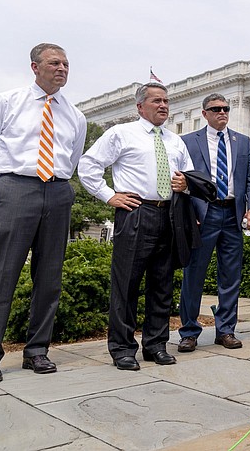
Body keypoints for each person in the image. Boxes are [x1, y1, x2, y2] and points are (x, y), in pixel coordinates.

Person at [0, 43, 87, 383]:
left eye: (66, 63)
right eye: (54, 62)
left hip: (58, 191)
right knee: (2, 274)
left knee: (49, 276)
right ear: (35, 67)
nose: (62, 68)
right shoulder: (5, 103)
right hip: (16, 187)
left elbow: (71, 160)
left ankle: (37, 351)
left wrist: (58, 186)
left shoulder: (76, 116)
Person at [79, 81, 192, 370]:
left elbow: (190, 177)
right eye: (156, 101)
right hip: (135, 212)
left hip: (168, 215)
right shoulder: (121, 134)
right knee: (126, 283)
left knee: (162, 285)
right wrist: (109, 195)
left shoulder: (175, 141)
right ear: (140, 106)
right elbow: (88, 166)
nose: (163, 106)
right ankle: (122, 348)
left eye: (166, 101)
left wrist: (186, 184)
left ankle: (155, 345)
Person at [177, 94, 250, 352]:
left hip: (233, 215)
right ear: (204, 113)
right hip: (205, 215)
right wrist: (191, 214)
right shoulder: (189, 141)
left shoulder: (243, 142)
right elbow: (182, 179)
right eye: (216, 109)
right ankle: (189, 332)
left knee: (231, 276)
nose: (222, 113)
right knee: (194, 275)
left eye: (225, 109)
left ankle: (225, 330)